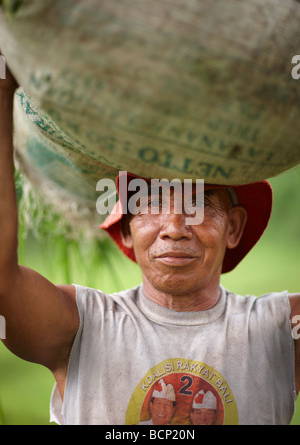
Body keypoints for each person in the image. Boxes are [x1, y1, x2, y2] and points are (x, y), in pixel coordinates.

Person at [1, 56, 300, 425]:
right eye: (151, 202)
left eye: (199, 202)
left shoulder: (281, 329)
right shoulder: (79, 326)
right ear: (126, 228)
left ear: (234, 228)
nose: (175, 227)